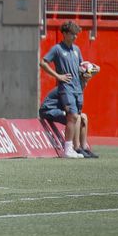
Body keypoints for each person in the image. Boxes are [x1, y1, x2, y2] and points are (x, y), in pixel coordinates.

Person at [39, 22, 91, 159]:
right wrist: (57, 76)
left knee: (77, 117)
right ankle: (67, 149)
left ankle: (76, 148)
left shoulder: (77, 50)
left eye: (76, 34)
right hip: (66, 87)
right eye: (73, 34)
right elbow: (43, 62)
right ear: (65, 34)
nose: (75, 37)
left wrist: (87, 75)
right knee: (72, 116)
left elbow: (81, 67)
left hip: (77, 88)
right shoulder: (57, 49)